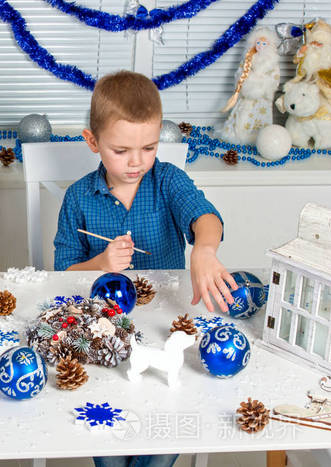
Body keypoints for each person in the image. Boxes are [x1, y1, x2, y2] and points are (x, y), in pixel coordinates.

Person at [53, 71, 237, 467]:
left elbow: (205, 216)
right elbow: (62, 272)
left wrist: (204, 249)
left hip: (165, 323)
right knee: (105, 423)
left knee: (168, 413)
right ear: (92, 141)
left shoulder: (168, 180)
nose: (137, 161)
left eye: (149, 147)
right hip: (104, 332)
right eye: (121, 150)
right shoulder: (78, 197)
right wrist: (100, 264)